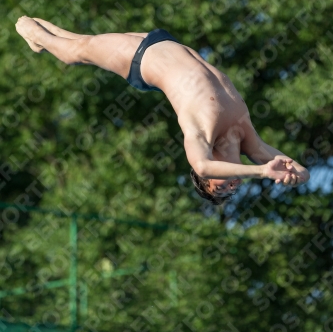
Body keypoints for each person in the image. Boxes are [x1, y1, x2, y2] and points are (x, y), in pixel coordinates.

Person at [15, 16, 310, 205]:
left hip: (139, 61)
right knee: (78, 40)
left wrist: (260, 171)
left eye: (219, 190)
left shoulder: (200, 135)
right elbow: (303, 173)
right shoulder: (248, 140)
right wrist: (285, 172)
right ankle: (39, 32)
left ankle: (25, 27)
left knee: (74, 53)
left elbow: (205, 166)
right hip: (167, 43)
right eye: (227, 193)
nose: (230, 188)